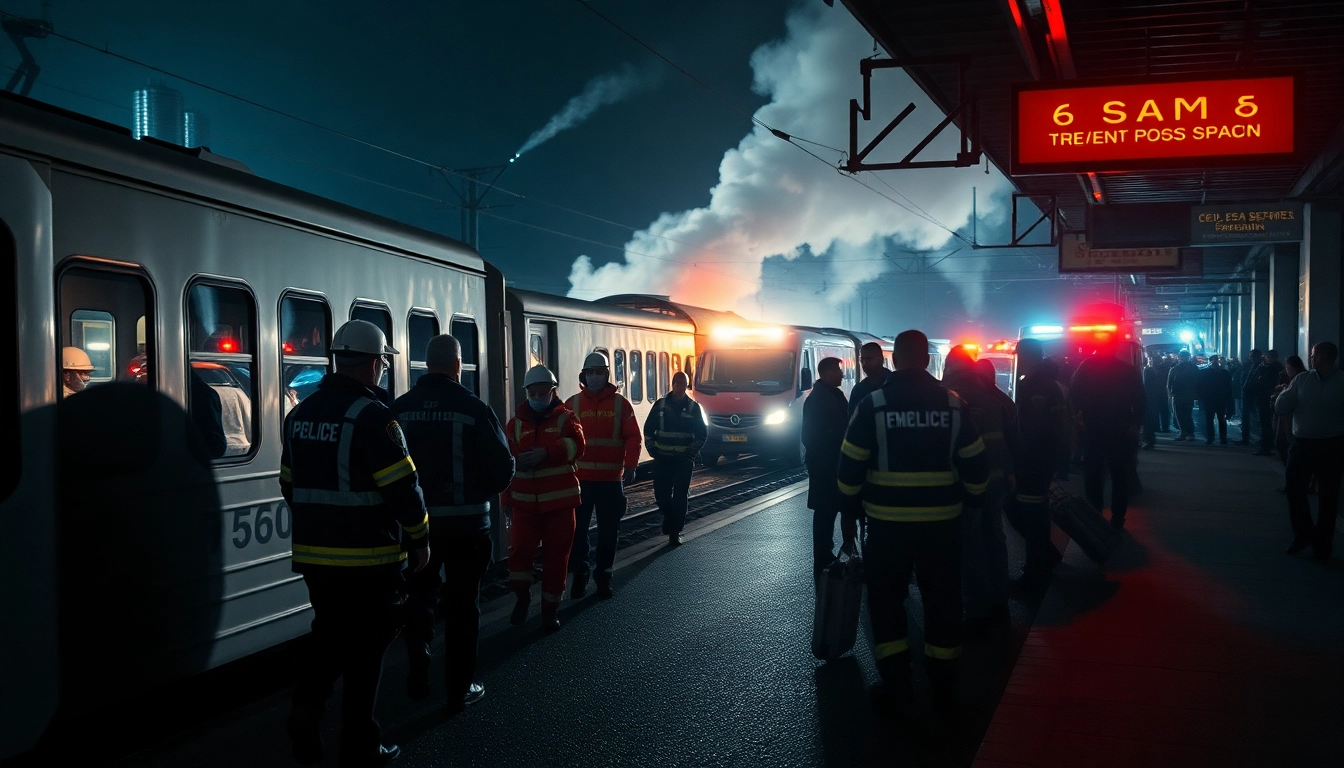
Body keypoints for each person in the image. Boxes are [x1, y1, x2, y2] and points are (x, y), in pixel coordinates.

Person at [280, 319, 430, 767]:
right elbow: (404, 489)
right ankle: (361, 742)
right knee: (367, 648)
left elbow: (289, 484)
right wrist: (420, 538)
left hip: (314, 557)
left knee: (327, 636)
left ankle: (305, 713)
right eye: (383, 360)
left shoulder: (299, 415)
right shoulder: (374, 418)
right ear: (372, 363)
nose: (383, 368)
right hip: (369, 558)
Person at [838, 330, 989, 714]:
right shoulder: (955, 405)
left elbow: (849, 469)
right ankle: (943, 684)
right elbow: (976, 464)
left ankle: (897, 685)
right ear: (925, 360)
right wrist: (972, 503)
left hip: (887, 528)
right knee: (943, 601)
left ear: (896, 358)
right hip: (943, 527)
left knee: (887, 602)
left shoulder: (873, 405)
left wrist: (851, 510)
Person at [393, 334, 514, 711]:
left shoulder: (399, 410)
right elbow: (503, 468)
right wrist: (480, 489)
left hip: (416, 531)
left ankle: (419, 650)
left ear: (426, 364)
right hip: (467, 529)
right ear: (458, 364)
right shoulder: (473, 408)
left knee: (419, 597)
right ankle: (459, 688)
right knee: (463, 606)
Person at [504, 365, 584, 632]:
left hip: (560, 505)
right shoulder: (514, 424)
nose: (537, 396)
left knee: (556, 558)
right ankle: (523, 598)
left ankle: (550, 611)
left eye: (542, 392)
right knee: (519, 554)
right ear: (526, 392)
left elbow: (578, 445)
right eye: (533, 392)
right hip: (525, 505)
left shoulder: (566, 419)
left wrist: (547, 453)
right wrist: (507, 498)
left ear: (553, 391)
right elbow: (506, 463)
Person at [945, 349, 1019, 634]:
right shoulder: (997, 398)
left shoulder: (949, 398)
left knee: (969, 544)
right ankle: (1000, 599)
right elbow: (1014, 440)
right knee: (994, 536)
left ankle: (975, 609)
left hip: (963, 484)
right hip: (997, 480)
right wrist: (1013, 473)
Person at [566, 351, 642, 599]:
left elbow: (633, 437)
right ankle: (580, 574)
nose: (595, 376)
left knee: (609, 534)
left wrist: (630, 465)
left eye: (599, 372)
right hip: (580, 482)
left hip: (610, 482)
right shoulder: (572, 404)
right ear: (583, 376)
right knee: (577, 533)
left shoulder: (621, 404)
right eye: (591, 372)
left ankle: (604, 576)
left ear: (607, 374)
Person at [1275, 341, 1344, 560]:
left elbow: (1282, 405)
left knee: (1328, 496)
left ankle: (1321, 544)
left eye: (1313, 355)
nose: (1310, 358)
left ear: (1322, 357)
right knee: (1295, 489)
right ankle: (1307, 535)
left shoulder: (1339, 382)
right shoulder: (1302, 379)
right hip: (1304, 442)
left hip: (1331, 445)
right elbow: (1281, 405)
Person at [1007, 339, 1065, 585]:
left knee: (1030, 514)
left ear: (1024, 356)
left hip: (1033, 461)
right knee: (1029, 511)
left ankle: (1035, 572)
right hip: (1041, 459)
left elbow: (1033, 429)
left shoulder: (1036, 385)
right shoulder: (1046, 382)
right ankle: (1045, 557)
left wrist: (1019, 458)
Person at [1071, 348, 1146, 531]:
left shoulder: (1085, 367)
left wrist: (1079, 416)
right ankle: (1118, 519)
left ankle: (1095, 514)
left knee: (1093, 475)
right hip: (1120, 430)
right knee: (1120, 476)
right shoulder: (1127, 370)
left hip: (1094, 429)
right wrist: (1135, 423)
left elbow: (1074, 394)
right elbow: (1141, 399)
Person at [644, 371, 706, 546]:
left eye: (682, 384)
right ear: (672, 385)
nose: (679, 387)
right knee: (661, 496)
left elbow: (702, 434)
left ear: (686, 386)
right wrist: (652, 449)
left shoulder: (694, 408)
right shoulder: (660, 406)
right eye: (677, 383)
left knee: (680, 496)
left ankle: (674, 531)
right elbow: (648, 429)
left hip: (683, 461)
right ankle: (669, 517)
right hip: (662, 459)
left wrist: (691, 452)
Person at [802, 356, 851, 572]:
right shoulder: (820, 399)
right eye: (839, 370)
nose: (842, 374)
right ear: (828, 373)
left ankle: (827, 552)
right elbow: (810, 436)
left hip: (830, 464)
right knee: (825, 511)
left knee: (828, 510)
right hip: (826, 466)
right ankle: (823, 555)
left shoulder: (831, 395)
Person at [1274, 355, 1308, 464]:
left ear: (1292, 366)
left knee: (1284, 442)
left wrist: (1284, 389)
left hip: (1291, 417)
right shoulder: (1297, 377)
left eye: (1287, 367)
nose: (1286, 369)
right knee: (1283, 442)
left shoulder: (1300, 378)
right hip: (1287, 416)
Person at [1196, 355, 1234, 445]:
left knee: (1215, 419)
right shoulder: (1223, 373)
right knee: (1215, 419)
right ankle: (1218, 438)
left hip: (1214, 399)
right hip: (1215, 399)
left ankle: (1213, 438)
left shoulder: (1206, 372)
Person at [1250, 351, 1282, 455]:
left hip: (1265, 398)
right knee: (1265, 423)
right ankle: (1265, 443)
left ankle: (1266, 446)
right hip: (1264, 397)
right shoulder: (1273, 368)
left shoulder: (1272, 369)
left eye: (1266, 357)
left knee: (1266, 423)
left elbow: (1263, 381)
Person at [848, 342, 889, 418]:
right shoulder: (858, 390)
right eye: (862, 359)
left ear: (880, 360)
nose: (864, 363)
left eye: (869, 359)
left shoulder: (894, 384)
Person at [1167, 350, 1200, 441]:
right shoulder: (1192, 368)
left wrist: (1171, 393)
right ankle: (1187, 433)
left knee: (1182, 415)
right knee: (1183, 414)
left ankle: (1185, 433)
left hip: (1182, 395)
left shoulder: (1176, 369)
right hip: (1182, 395)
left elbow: (1169, 384)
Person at [1238, 349, 1264, 445]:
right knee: (1246, 417)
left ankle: (1260, 438)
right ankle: (1245, 438)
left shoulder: (1259, 366)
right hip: (1247, 394)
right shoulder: (1250, 366)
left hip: (1254, 395)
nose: (1251, 358)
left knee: (1257, 418)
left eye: (1252, 356)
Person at [1141, 353, 1166, 449]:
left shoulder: (1148, 372)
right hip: (1151, 400)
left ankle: (1149, 440)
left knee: (1147, 422)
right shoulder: (1153, 372)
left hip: (1148, 400)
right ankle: (1149, 440)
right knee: (1149, 421)